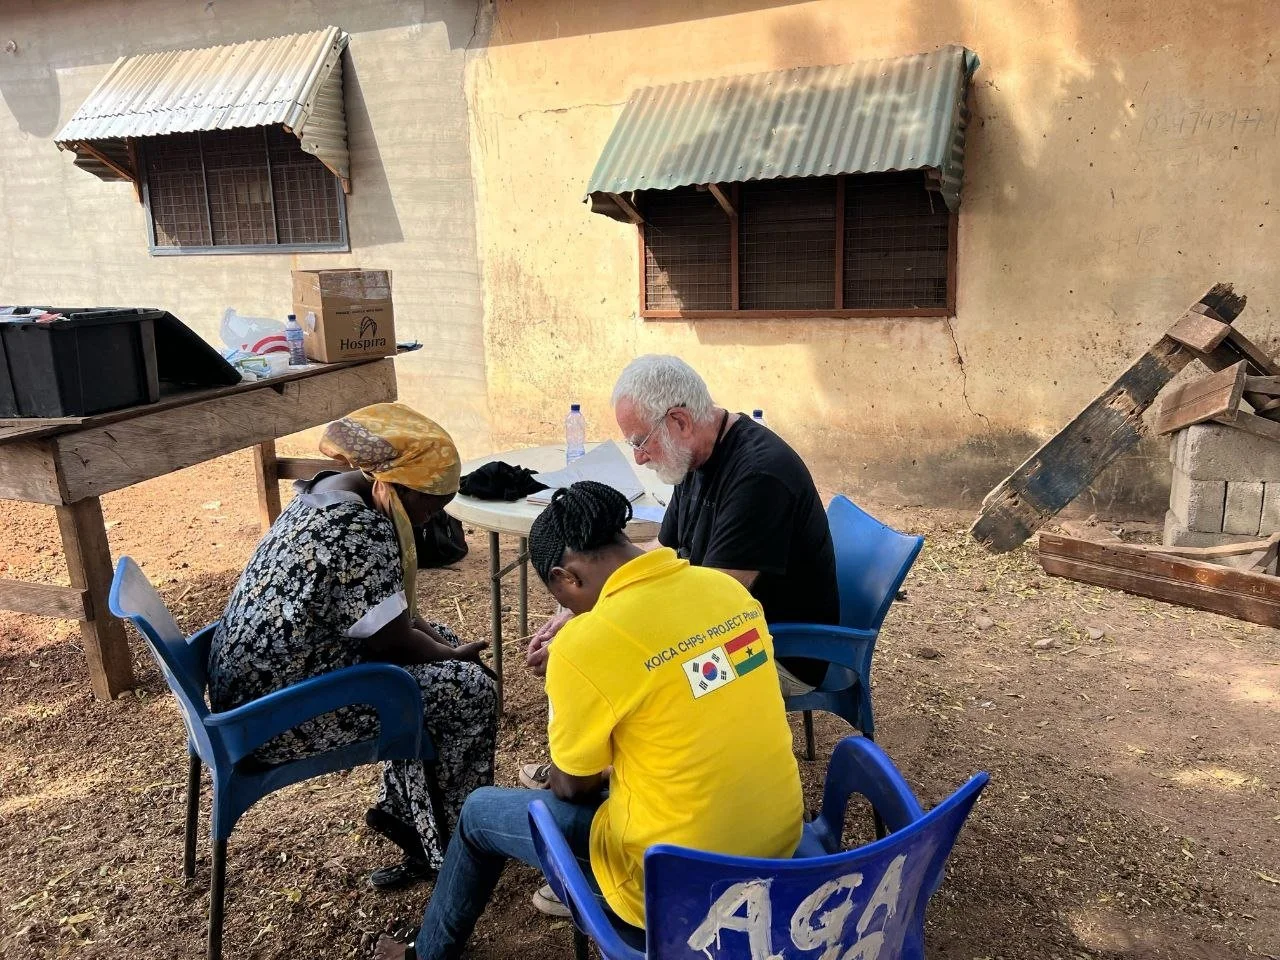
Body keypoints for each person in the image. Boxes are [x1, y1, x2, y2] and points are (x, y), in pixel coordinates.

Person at [374, 481, 804, 960]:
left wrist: (576, 698)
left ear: (567, 578)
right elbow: (698, 688)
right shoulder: (724, 590)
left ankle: (424, 954)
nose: (569, 613)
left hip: (671, 884)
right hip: (780, 849)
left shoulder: (585, 643)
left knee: (477, 813)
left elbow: (572, 787)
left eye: (562, 599)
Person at [207, 403, 497, 890]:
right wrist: (449, 658)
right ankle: (456, 850)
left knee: (445, 647)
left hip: (256, 692)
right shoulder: (360, 530)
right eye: (431, 506)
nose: (433, 519)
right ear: (399, 486)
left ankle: (413, 817)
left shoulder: (324, 493)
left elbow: (386, 612)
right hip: (273, 720)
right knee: (471, 692)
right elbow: (392, 642)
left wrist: (441, 644)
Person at [521, 355, 838, 791]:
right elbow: (659, 553)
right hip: (727, 626)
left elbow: (711, 607)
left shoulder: (760, 476)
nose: (639, 456)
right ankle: (594, 771)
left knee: (631, 676)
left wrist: (591, 642)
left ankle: (599, 778)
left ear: (680, 421)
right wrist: (580, 614)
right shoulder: (692, 456)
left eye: (640, 441)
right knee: (614, 663)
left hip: (771, 649)